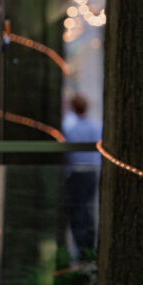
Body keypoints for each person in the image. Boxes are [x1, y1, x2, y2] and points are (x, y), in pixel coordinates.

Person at [63, 93, 102, 259]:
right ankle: (88, 247)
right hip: (92, 172)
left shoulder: (71, 129)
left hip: (77, 173)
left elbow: (68, 154)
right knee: (88, 208)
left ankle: (81, 248)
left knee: (77, 210)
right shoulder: (96, 127)